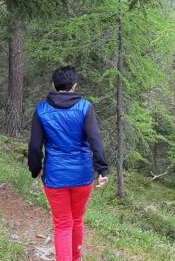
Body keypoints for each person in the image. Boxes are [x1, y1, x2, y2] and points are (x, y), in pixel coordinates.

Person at [28, 66, 109, 261]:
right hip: (82, 176)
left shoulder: (41, 109)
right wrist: (102, 170)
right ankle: (76, 257)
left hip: (55, 177)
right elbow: (95, 140)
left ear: (53, 85)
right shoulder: (85, 107)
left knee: (63, 224)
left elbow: (35, 145)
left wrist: (35, 169)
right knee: (77, 220)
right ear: (75, 85)